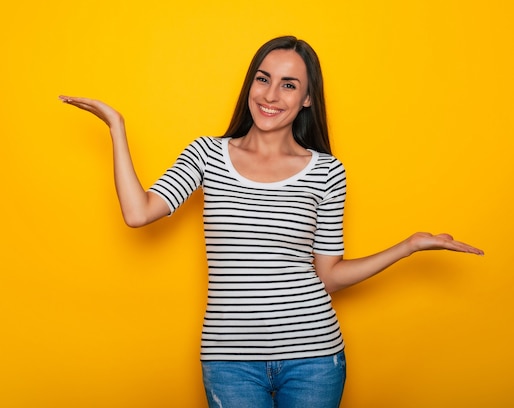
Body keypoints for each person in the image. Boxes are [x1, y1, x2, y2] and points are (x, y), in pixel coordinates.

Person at [59, 36, 483, 408]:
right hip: (229, 361)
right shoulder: (208, 155)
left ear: (307, 99)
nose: (271, 95)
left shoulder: (326, 172)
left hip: (315, 357)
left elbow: (330, 276)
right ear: (250, 85)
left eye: (289, 85)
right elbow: (138, 213)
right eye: (263, 79)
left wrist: (408, 246)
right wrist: (117, 127)